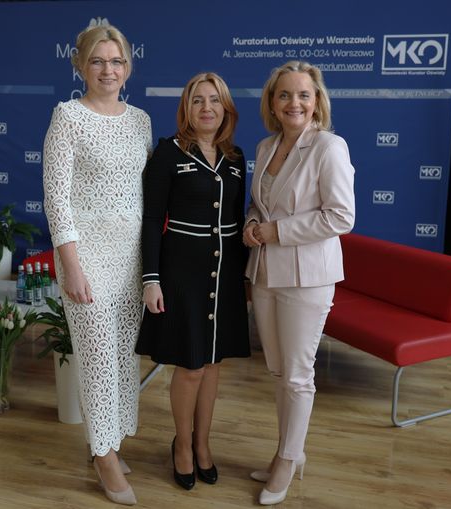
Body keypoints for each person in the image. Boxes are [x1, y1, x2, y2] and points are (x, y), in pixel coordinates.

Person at [43, 22, 152, 506]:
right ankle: (103, 457)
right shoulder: (67, 116)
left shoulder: (140, 121)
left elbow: (144, 192)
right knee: (96, 358)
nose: (108, 70)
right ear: (81, 66)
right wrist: (72, 266)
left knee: (123, 357)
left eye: (117, 61)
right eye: (98, 61)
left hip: (131, 257)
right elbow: (56, 198)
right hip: (86, 257)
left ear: (128, 67)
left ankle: (110, 442)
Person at [243, 61, 355, 505]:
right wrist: (252, 225)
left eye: (304, 95)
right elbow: (261, 205)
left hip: (307, 278)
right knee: (278, 371)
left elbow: (341, 216)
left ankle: (288, 461)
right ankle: (286, 451)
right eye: (285, 95)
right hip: (265, 273)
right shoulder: (266, 146)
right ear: (272, 103)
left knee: (297, 375)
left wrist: (277, 231)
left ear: (316, 101)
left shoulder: (329, 147)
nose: (295, 103)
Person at [136, 72, 250, 490]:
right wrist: (151, 279)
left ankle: (203, 443)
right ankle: (182, 445)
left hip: (225, 274)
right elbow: (152, 220)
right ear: (186, 107)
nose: (207, 108)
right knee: (190, 365)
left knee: (213, 364)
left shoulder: (235, 157)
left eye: (215, 100)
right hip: (181, 273)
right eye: (198, 100)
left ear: (226, 109)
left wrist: (246, 276)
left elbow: (236, 219)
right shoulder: (168, 153)